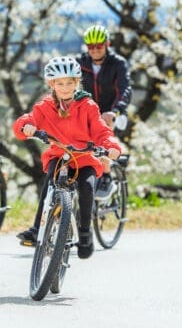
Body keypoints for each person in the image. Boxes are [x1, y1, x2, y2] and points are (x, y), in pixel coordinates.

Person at [13, 56, 122, 256]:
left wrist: (111, 146)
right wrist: (26, 126)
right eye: (59, 83)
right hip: (59, 155)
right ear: (51, 84)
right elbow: (28, 120)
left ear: (76, 83)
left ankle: (85, 233)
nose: (64, 87)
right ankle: (38, 227)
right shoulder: (45, 107)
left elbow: (101, 131)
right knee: (49, 182)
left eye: (69, 83)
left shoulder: (88, 106)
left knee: (87, 188)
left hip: (85, 158)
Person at [77, 24, 131, 200]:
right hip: (89, 112)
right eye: (90, 47)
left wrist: (115, 110)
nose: (94, 50)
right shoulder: (80, 63)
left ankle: (106, 176)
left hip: (112, 113)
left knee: (104, 131)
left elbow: (124, 90)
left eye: (98, 46)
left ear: (107, 44)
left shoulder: (118, 64)